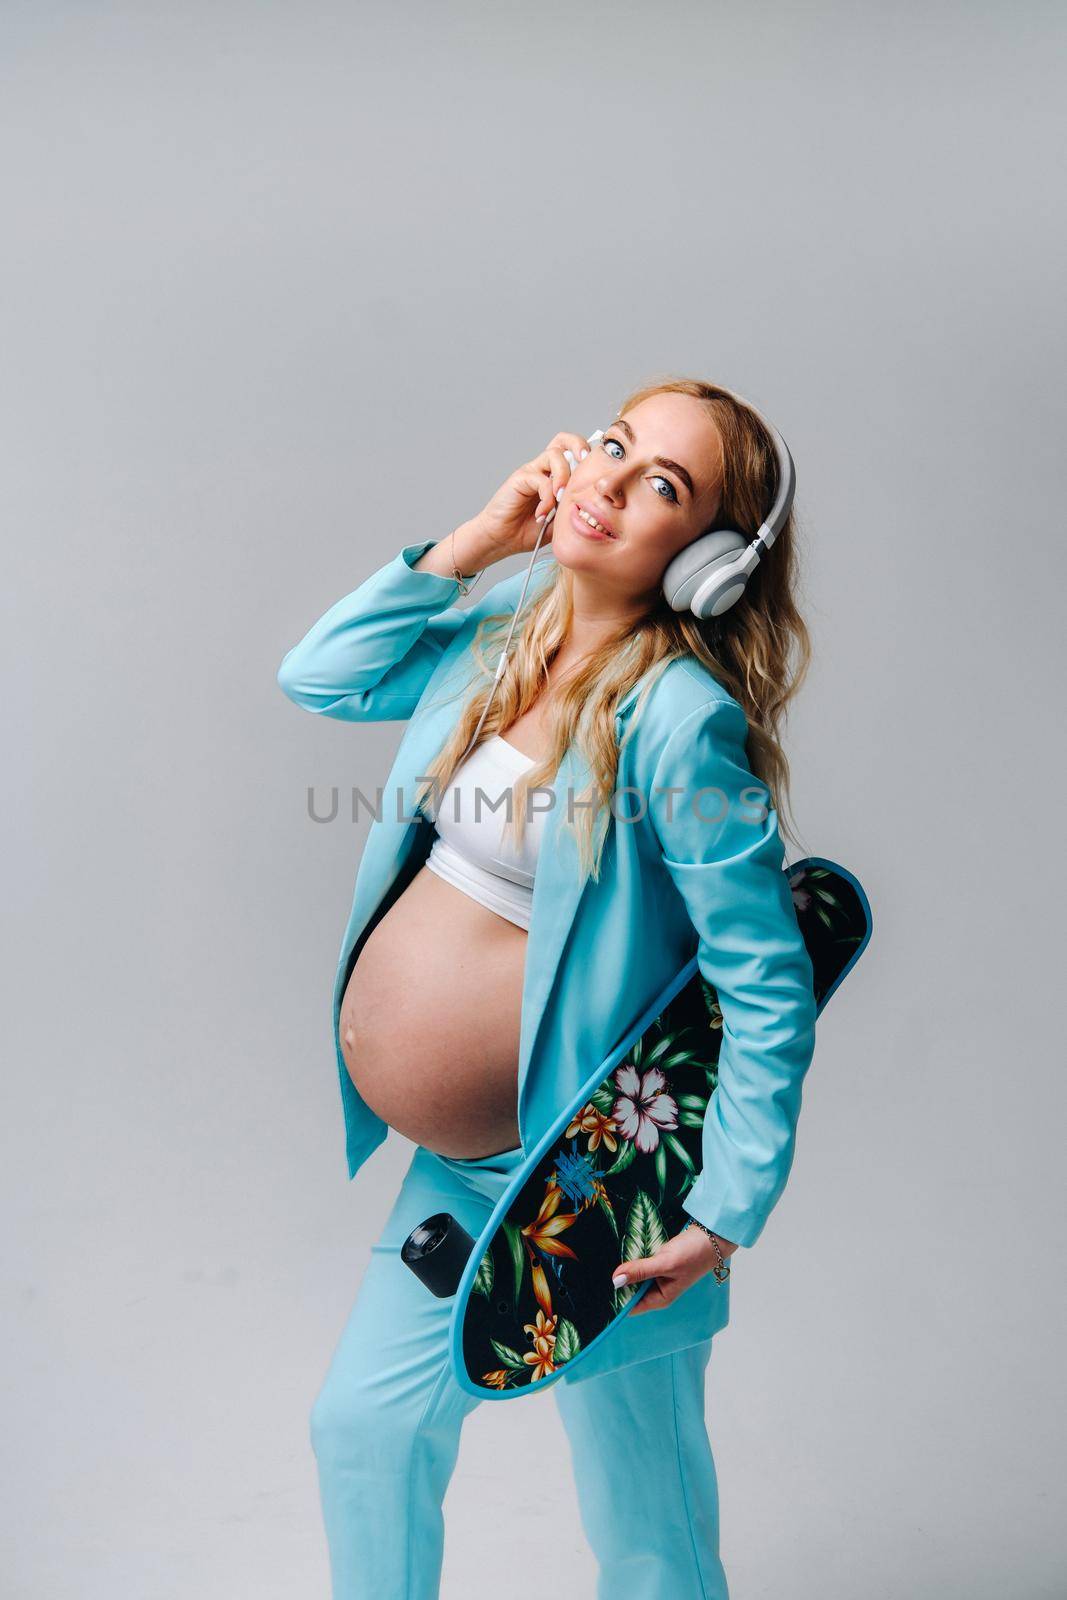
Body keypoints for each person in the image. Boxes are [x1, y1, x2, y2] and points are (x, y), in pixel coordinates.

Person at [277, 377, 818, 1598]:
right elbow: (320, 675)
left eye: (662, 487)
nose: (612, 486)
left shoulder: (680, 725)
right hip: (466, 1178)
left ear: (710, 561)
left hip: (603, 1184)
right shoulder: (505, 620)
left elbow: (764, 983)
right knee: (363, 1431)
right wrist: (473, 543)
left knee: (645, 1511)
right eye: (613, 449)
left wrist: (721, 1209)